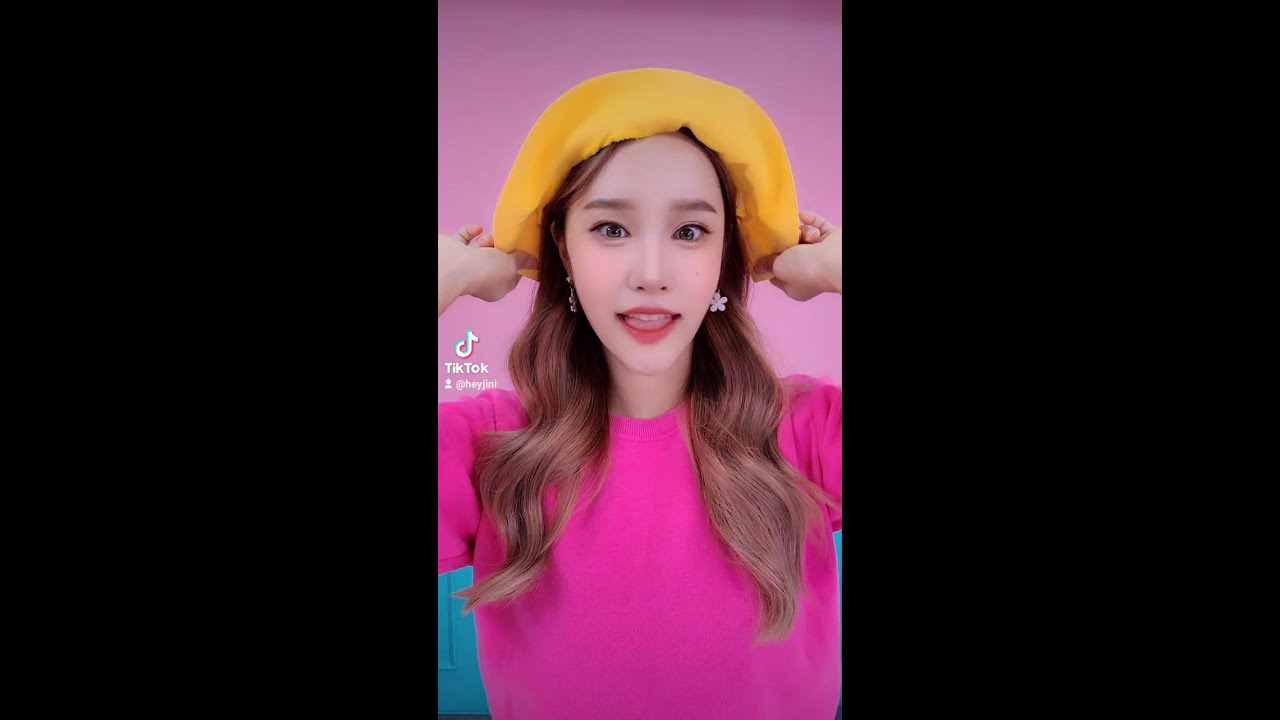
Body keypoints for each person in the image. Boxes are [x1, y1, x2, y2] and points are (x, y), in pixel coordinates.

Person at [437, 69, 843, 720]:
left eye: (690, 232)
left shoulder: (807, 431)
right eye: (611, 229)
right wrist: (449, 274)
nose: (651, 275)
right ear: (562, 248)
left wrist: (833, 266)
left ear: (725, 256)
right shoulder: (488, 447)